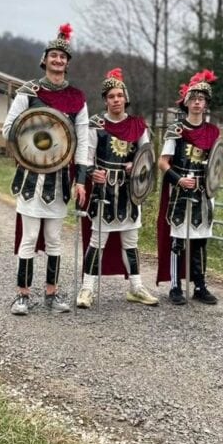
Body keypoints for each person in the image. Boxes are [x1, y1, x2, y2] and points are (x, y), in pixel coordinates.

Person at [2, 23, 89, 315]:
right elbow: (8, 128)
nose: (58, 60)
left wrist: (82, 179)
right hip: (32, 177)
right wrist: (28, 144)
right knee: (28, 237)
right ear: (45, 59)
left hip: (61, 179)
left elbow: (83, 141)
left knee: (54, 239)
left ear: (67, 63)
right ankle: (23, 295)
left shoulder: (77, 98)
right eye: (53, 55)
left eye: (63, 57)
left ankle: (52, 294)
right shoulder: (29, 91)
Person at [76, 68, 158, 308]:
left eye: (119, 96)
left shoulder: (137, 126)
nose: (116, 100)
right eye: (111, 96)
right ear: (105, 100)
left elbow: (147, 157)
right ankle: (87, 289)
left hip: (129, 193)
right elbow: (86, 158)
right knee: (96, 241)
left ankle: (136, 287)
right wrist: (93, 173)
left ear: (126, 98)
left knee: (130, 242)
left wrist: (137, 164)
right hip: (104, 192)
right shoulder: (96, 125)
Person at [156, 69, 221, 306]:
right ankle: (175, 286)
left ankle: (200, 285)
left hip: (203, 190)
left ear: (206, 104)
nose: (197, 103)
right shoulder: (177, 130)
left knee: (201, 239)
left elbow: (217, 163)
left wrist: (210, 183)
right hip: (180, 190)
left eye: (201, 99)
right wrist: (178, 180)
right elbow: (163, 162)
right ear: (186, 102)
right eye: (193, 99)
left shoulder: (213, 131)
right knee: (178, 239)